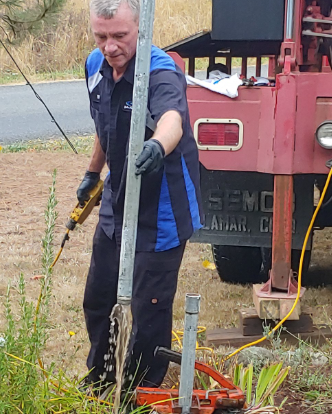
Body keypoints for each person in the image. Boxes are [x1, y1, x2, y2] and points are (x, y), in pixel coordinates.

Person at [77, 0, 202, 389]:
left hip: (161, 208)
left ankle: (138, 393)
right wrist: (92, 172)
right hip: (118, 200)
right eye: (101, 36)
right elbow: (106, 124)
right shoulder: (95, 67)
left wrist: (156, 146)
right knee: (99, 298)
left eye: (120, 36)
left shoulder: (160, 71)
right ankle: (101, 379)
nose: (109, 47)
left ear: (139, 30)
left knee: (148, 309)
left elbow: (172, 120)